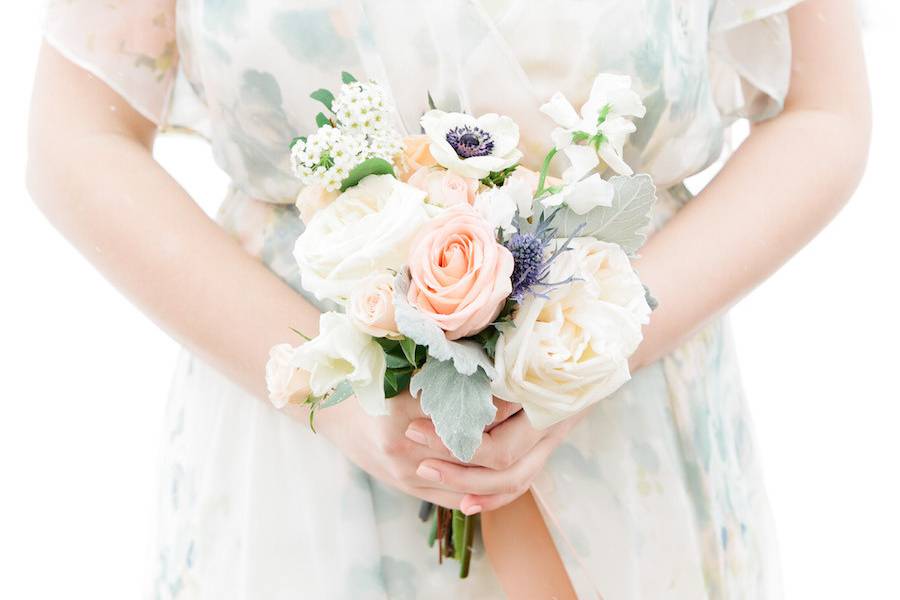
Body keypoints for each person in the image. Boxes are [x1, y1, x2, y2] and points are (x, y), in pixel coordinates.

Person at [27, 0, 870, 598]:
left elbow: (821, 108)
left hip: (627, 420)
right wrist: (334, 393)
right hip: (298, 442)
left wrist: (593, 346)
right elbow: (77, 139)